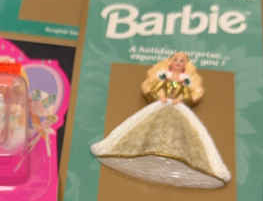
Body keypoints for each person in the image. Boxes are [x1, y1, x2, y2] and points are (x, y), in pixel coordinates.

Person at [90, 51, 231, 189]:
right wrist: (161, 95)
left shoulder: (186, 79)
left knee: (183, 131)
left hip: (177, 107)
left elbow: (188, 93)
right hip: (162, 104)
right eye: (175, 60)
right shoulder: (163, 75)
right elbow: (157, 87)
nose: (178, 63)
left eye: (182, 61)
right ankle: (146, 148)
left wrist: (180, 99)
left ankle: (179, 154)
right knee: (149, 125)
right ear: (170, 62)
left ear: (186, 65)